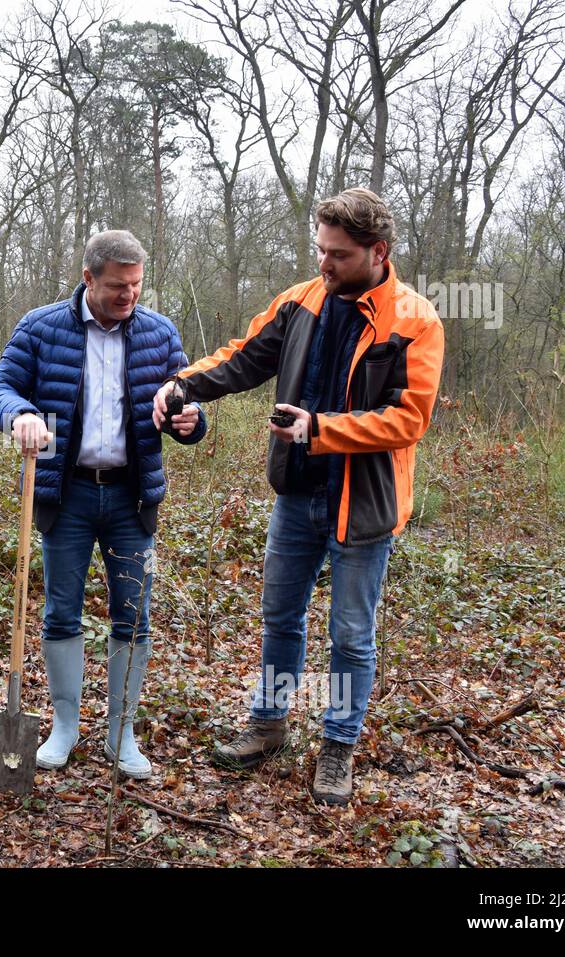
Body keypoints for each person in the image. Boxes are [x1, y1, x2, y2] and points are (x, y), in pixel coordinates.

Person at [155, 188, 444, 805]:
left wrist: (322, 429)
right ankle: (268, 726)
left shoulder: (415, 320)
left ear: (377, 252)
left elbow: (408, 420)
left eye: (338, 254)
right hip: (296, 495)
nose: (324, 263)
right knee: (280, 617)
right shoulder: (301, 302)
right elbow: (243, 358)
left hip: (362, 504)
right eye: (319, 249)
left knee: (350, 635)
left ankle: (338, 748)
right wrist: (184, 383)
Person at [0, 229, 207, 779]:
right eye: (116, 286)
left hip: (133, 499)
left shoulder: (158, 333)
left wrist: (190, 420)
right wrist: (19, 414)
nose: (128, 295)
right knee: (61, 610)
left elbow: (188, 407)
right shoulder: (41, 327)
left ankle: (121, 732)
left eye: (135, 285)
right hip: (68, 494)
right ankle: (64, 726)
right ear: (88, 279)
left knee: (133, 613)